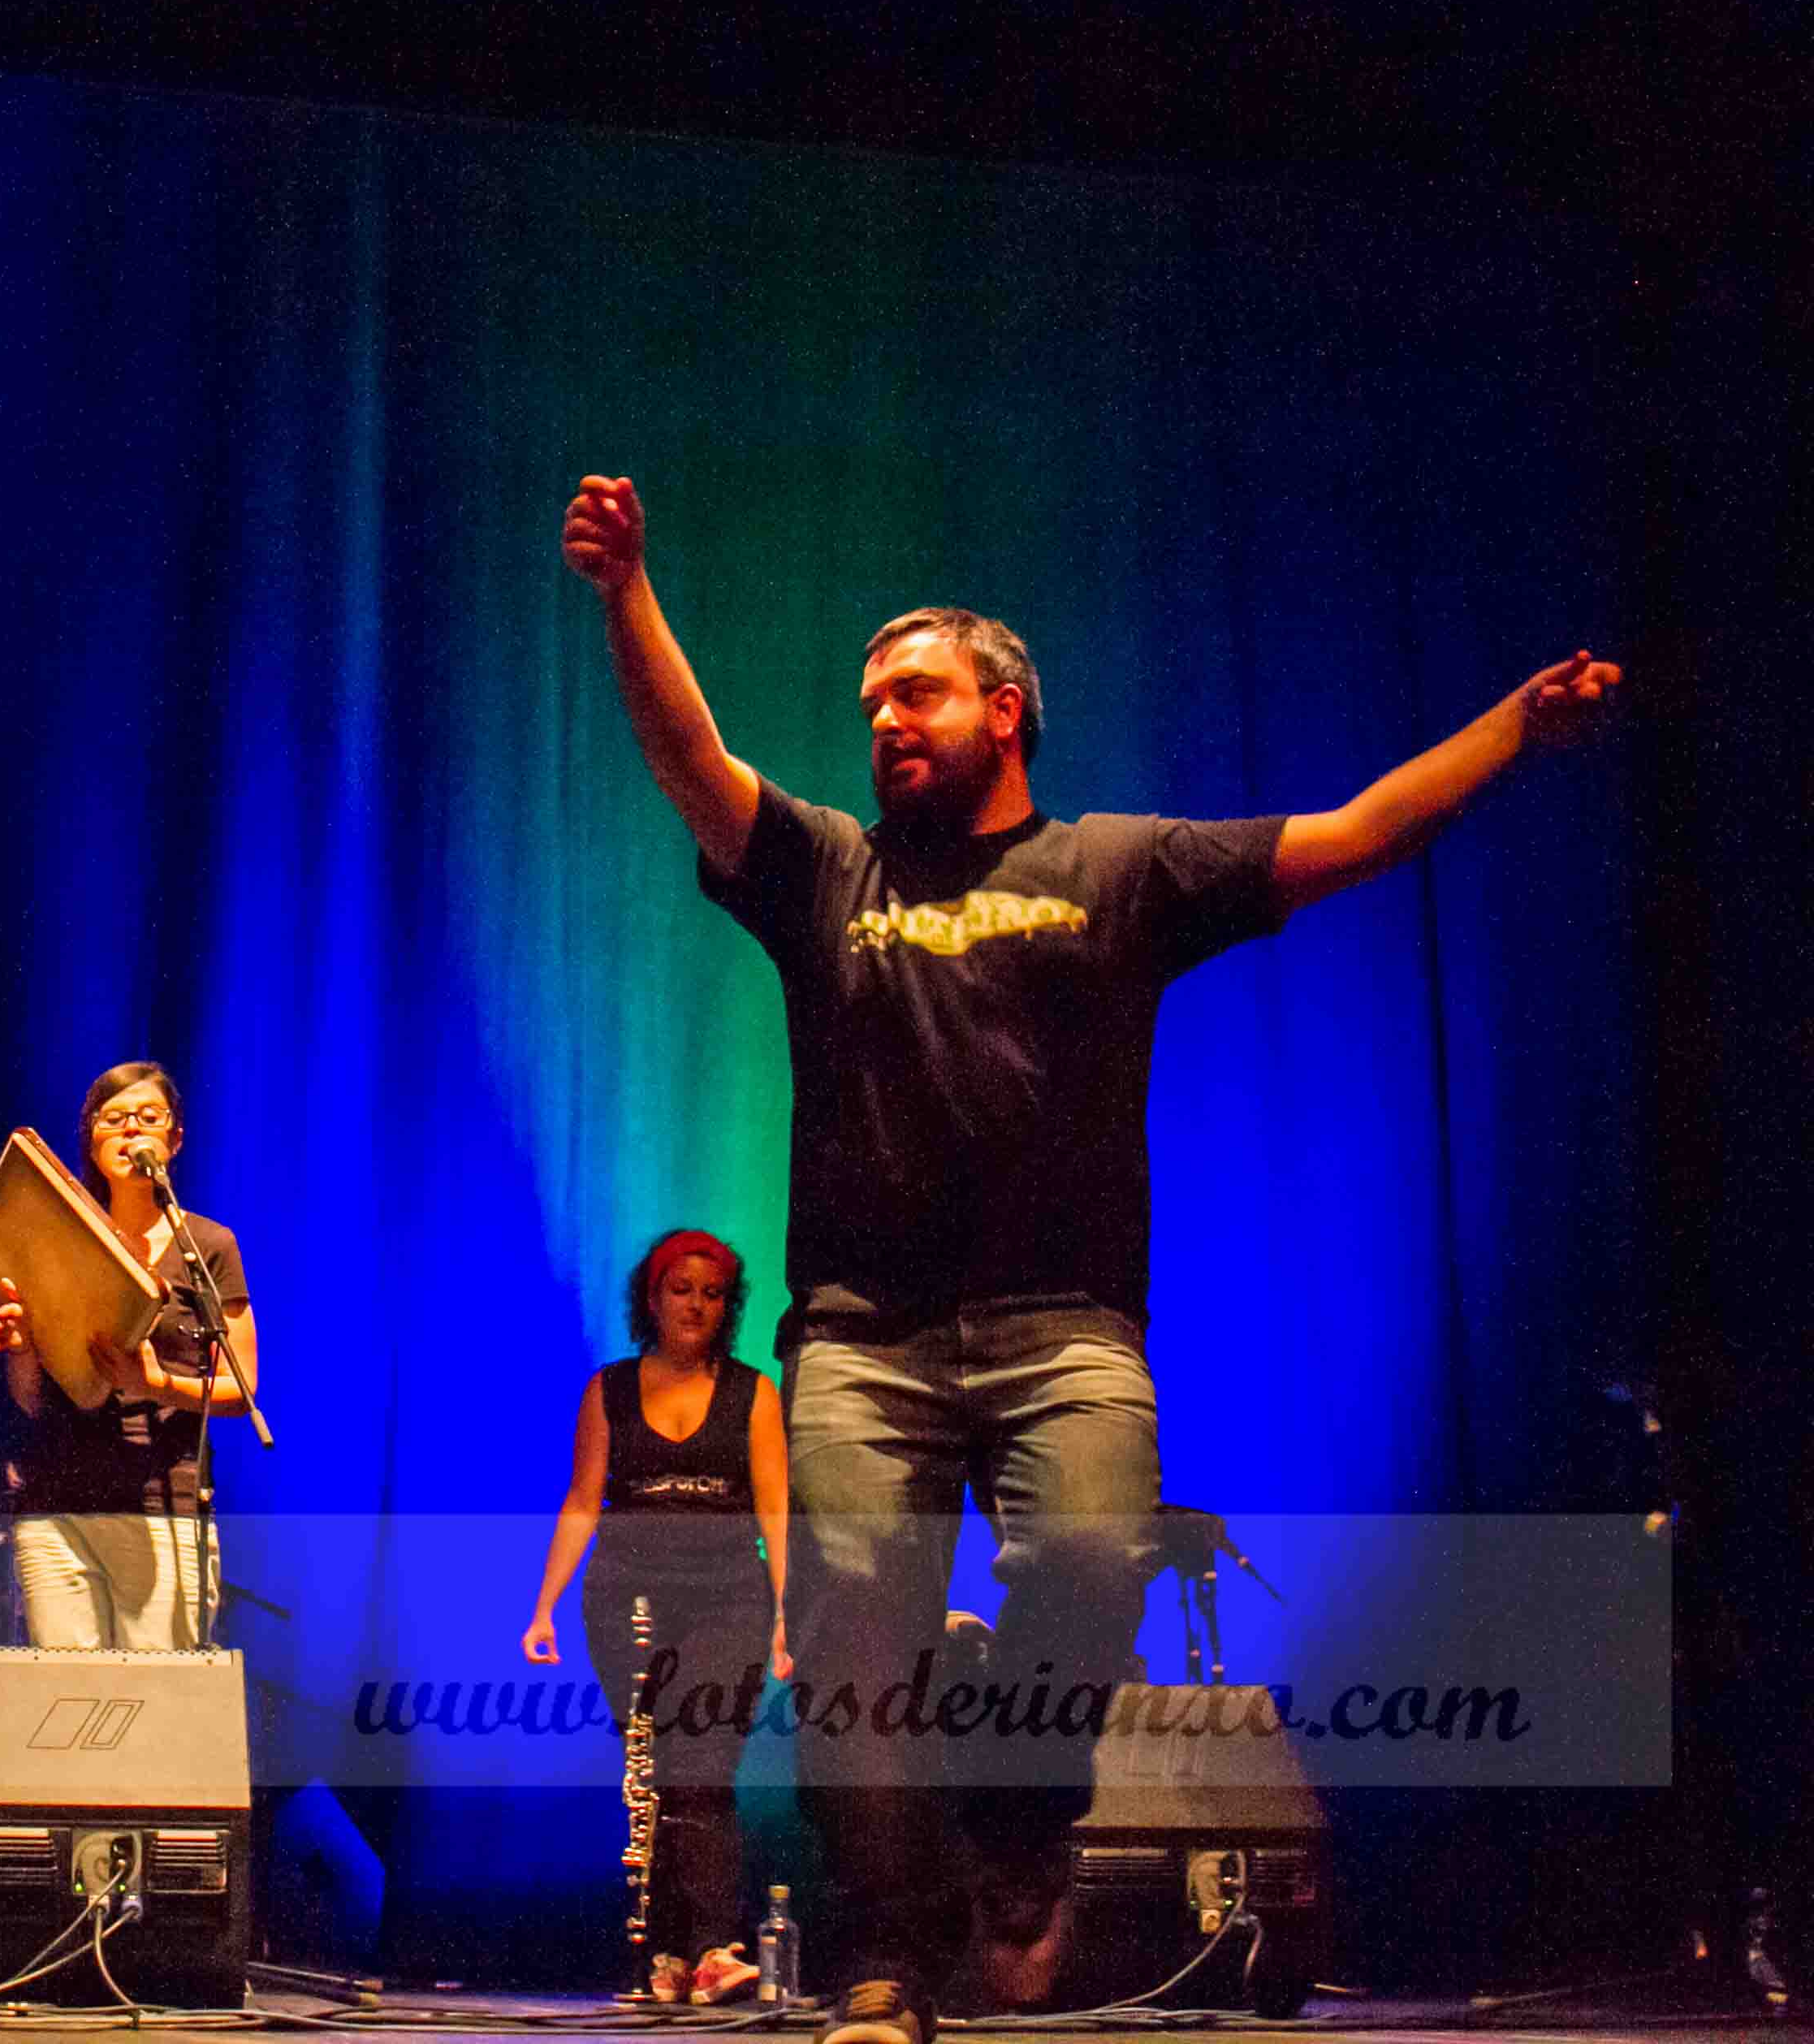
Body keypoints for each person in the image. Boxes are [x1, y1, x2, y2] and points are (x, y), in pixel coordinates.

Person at [561, 472, 1622, 2044]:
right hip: (862, 1334)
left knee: (1093, 1561)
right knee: (852, 1626)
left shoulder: (1118, 869)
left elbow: (1352, 835)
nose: (885, 722)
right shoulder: (827, 872)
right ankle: (883, 1957)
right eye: (871, 706)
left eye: (916, 694)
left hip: (1065, 1330)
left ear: (1004, 709)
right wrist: (625, 590)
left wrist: (1513, 729)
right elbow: (688, 762)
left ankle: (1017, 1809)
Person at [523, 1229, 790, 2005]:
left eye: (712, 1294)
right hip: (626, 1595)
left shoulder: (753, 1393)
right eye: (682, 1290)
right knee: (656, 1775)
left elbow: (776, 1509)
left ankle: (712, 1947)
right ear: (653, 1297)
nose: (696, 1305)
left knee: (702, 1765)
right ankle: (667, 1955)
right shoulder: (609, 1389)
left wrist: (786, 1612)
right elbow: (584, 1501)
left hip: (729, 1594)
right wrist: (543, 1608)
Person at [0, 1061, 260, 1649]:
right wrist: (25, 1347)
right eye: (112, 1119)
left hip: (160, 1507)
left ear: (175, 1139)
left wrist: (156, 1386)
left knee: (155, 1696)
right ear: (91, 1140)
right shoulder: (62, 1237)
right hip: (56, 1503)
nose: (131, 1129)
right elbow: (32, 1400)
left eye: (148, 1117)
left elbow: (241, 1389)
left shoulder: (208, 1247)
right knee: (68, 1694)